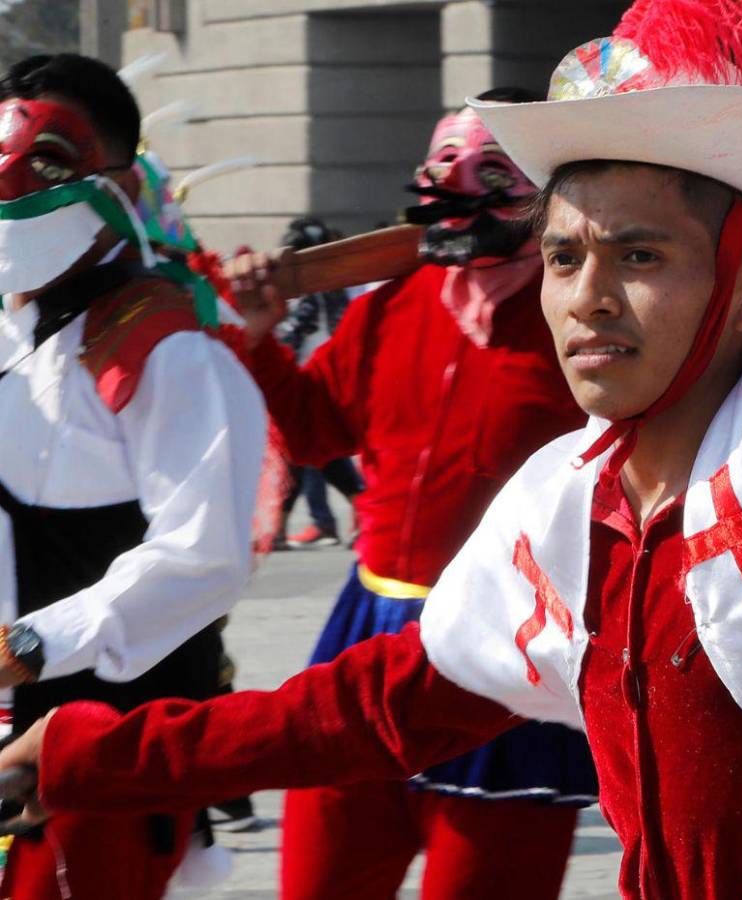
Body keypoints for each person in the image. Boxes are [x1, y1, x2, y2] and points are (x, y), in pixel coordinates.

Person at [0, 5, 742, 898]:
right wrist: (90, 756)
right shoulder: (566, 509)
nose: (588, 298)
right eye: (562, 256)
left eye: (639, 257)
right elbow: (380, 706)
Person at [223, 89, 598, 899]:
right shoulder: (392, 305)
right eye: (443, 165)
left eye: (489, 171)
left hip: (511, 650)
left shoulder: (587, 327)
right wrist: (258, 337)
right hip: (370, 626)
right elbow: (316, 432)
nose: (459, 186)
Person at [0, 54, 266, 898]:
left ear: (119, 180)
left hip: (104, 738)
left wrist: (34, 645)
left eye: (47, 163)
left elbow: (204, 556)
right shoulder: (9, 329)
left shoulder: (170, 350)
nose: (11, 187)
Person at [270, 218, 365, 549]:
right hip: (325, 373)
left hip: (312, 375)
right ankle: (285, 527)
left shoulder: (310, 287)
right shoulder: (333, 284)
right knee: (302, 455)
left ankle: (354, 511)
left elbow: (297, 331)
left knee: (311, 453)